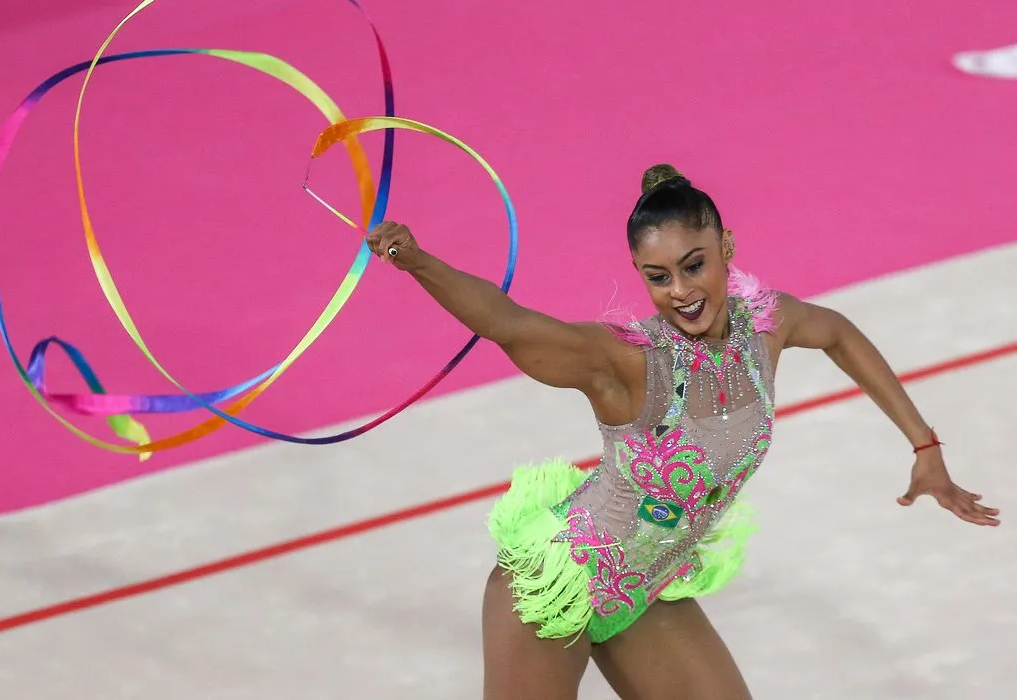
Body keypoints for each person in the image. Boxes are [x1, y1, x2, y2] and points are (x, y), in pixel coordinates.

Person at [365, 164, 1000, 700]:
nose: (681, 292)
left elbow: (836, 331)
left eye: (693, 266)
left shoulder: (766, 325)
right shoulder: (629, 363)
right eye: (658, 277)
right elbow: (511, 323)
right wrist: (417, 262)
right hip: (557, 587)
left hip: (647, 589)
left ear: (727, 246)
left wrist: (925, 447)